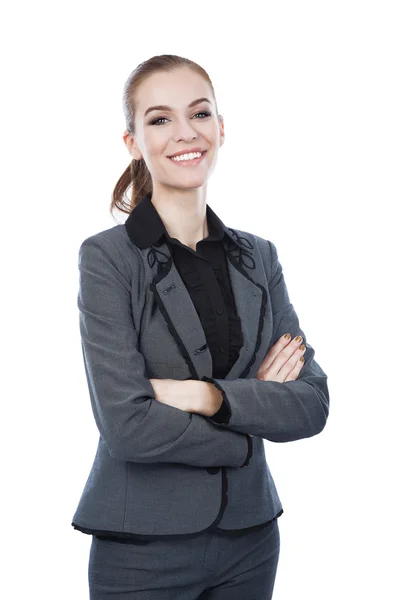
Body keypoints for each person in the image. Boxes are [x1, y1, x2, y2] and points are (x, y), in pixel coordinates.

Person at [71, 54, 330, 599]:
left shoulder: (258, 257)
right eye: (160, 119)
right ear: (133, 142)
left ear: (220, 128)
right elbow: (126, 424)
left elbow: (311, 402)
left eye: (200, 113)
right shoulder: (109, 258)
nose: (185, 133)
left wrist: (208, 398)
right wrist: (247, 425)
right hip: (142, 549)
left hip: (251, 538)